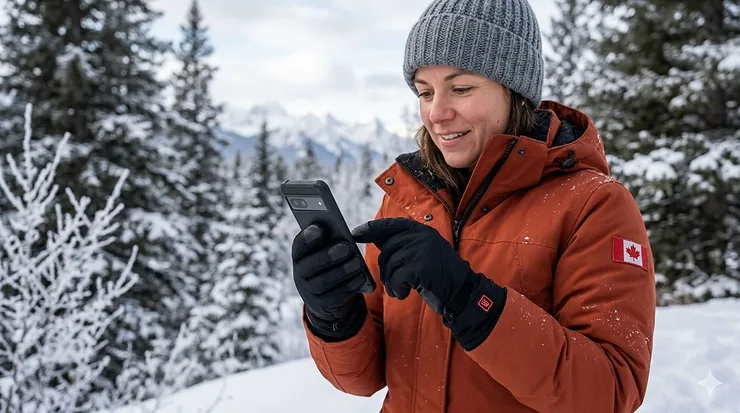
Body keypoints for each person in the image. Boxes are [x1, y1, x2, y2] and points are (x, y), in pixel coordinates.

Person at [289, 0, 657, 411]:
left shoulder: (593, 205)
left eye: (461, 88)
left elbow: (609, 391)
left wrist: (470, 298)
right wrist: (334, 315)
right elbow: (363, 378)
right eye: (424, 92)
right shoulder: (406, 199)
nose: (437, 113)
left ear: (514, 91)